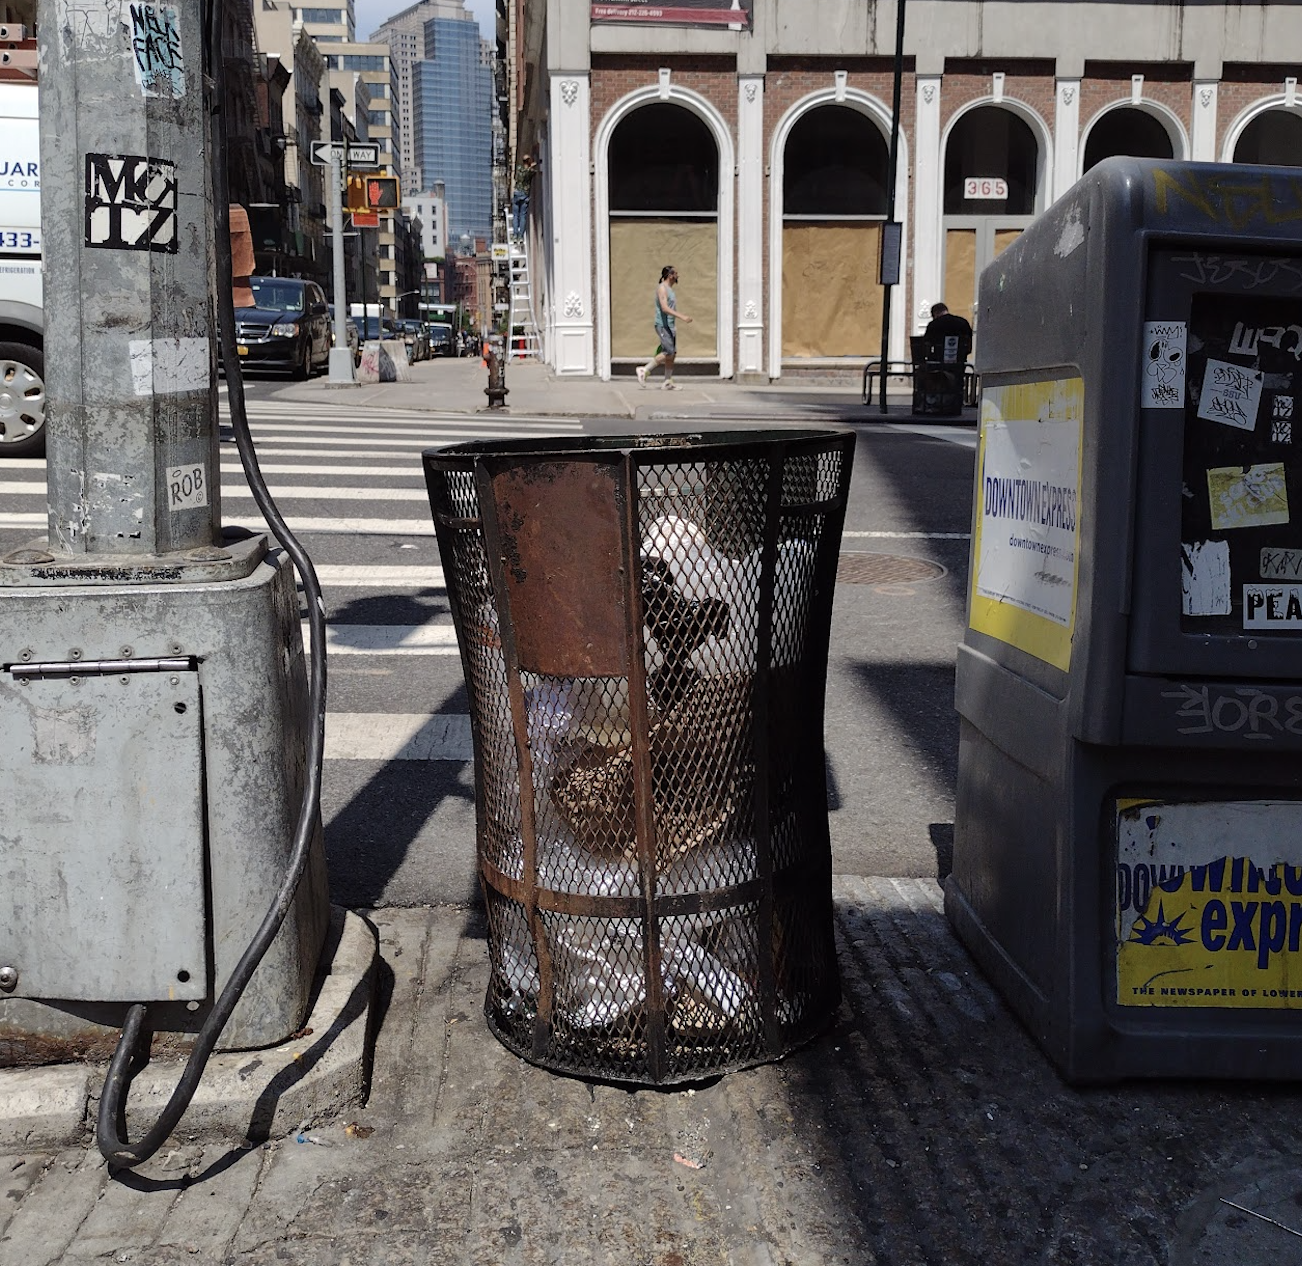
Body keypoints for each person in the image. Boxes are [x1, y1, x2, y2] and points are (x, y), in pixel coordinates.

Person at [636, 265, 693, 390]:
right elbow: (664, 308)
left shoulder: (670, 289)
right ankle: (644, 370)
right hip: (662, 325)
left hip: (670, 326)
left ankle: (667, 381)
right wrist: (682, 317)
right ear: (670, 275)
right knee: (668, 352)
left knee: (672, 354)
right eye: (676, 273)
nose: (678, 276)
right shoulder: (662, 288)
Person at [511, 154, 536, 241]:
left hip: (517, 193)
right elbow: (531, 173)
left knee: (515, 216)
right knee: (522, 216)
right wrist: (532, 166)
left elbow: (519, 175)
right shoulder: (529, 171)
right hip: (524, 195)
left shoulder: (519, 169)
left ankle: (515, 235)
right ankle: (520, 236)